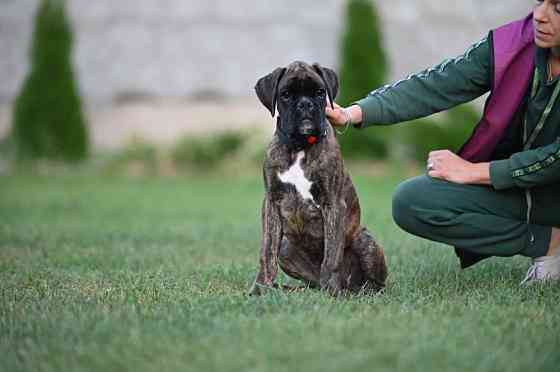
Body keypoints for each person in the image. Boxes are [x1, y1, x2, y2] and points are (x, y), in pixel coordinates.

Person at [326, 1, 560, 284]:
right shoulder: (513, 45)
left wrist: (474, 172)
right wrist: (352, 113)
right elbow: (439, 83)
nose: (540, 16)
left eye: (557, 8)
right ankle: (549, 243)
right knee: (413, 201)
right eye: (539, 2)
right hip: (531, 192)